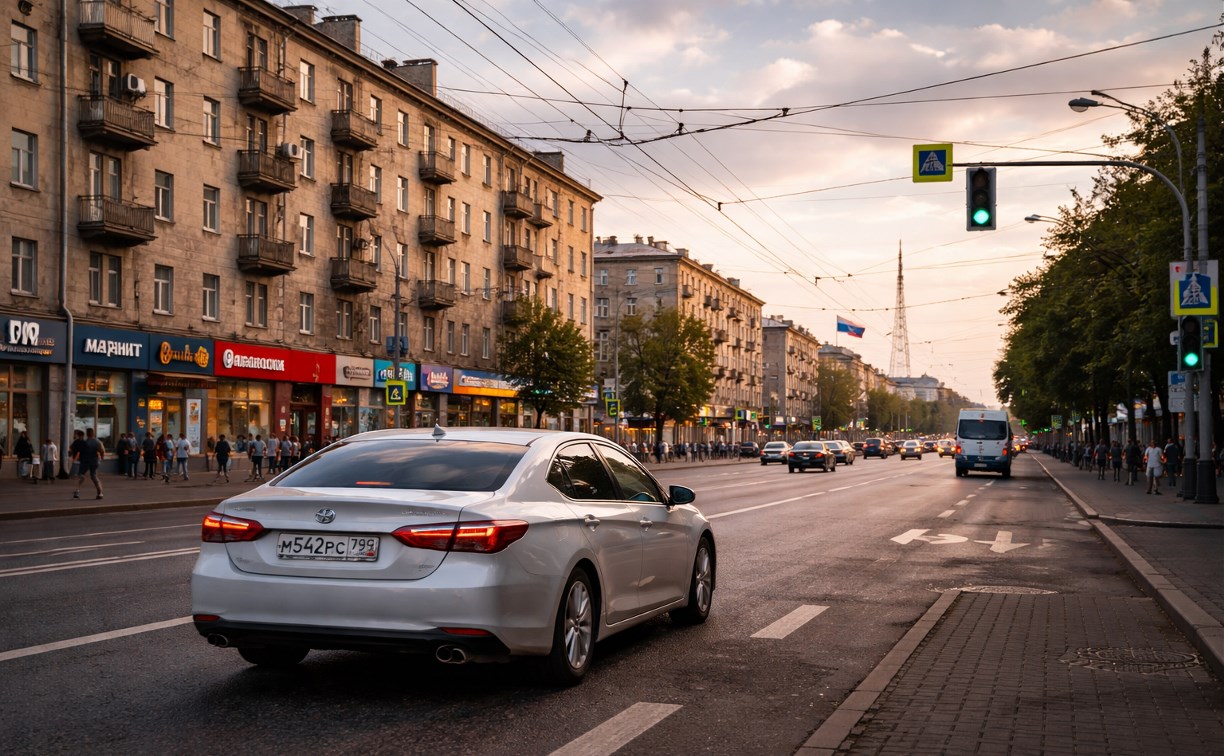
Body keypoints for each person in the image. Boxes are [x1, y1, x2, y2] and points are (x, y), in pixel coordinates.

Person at [71, 427, 105, 500]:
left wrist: (77, 458)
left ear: (87, 434)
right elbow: (102, 450)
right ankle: (100, 493)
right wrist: (101, 458)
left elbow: (77, 450)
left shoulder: (84, 442)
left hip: (84, 461)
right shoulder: (97, 442)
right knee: (94, 476)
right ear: (93, 433)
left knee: (81, 475)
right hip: (94, 461)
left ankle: (77, 491)